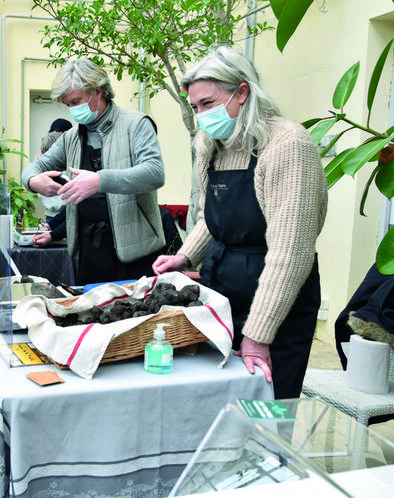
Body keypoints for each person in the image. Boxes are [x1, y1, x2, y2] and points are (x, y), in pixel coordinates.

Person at [152, 46, 328, 399]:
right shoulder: (213, 147)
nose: (201, 115)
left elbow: (290, 253)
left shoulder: (286, 144)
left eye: (209, 103)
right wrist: (185, 256)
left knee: (266, 408)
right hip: (223, 293)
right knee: (220, 402)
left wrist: (259, 334)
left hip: (277, 302)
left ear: (242, 92)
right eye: (196, 107)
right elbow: (211, 217)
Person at [22, 59, 166, 285]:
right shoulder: (70, 138)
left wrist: (100, 181)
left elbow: (154, 172)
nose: (72, 109)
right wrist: (33, 181)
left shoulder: (136, 124)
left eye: (76, 101)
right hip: (90, 252)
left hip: (135, 252)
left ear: (98, 91)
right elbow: (34, 167)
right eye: (67, 104)